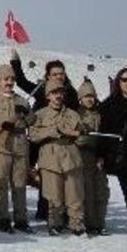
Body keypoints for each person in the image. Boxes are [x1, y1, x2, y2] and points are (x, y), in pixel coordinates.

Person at [0, 64, 34, 234]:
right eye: (5, 79)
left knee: (19, 184)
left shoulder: (22, 100)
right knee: (0, 182)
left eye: (12, 79)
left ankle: (21, 219)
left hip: (19, 146)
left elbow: (32, 120)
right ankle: (3, 218)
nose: (9, 82)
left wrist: (26, 116)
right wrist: (0, 124)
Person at [29, 82, 86, 236]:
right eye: (54, 93)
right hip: (50, 157)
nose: (58, 96)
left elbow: (81, 138)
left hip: (70, 156)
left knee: (75, 194)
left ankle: (76, 224)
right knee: (53, 195)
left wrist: (80, 135)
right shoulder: (40, 115)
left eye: (60, 93)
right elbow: (33, 136)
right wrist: (51, 131)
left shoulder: (73, 114)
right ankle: (54, 222)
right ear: (48, 96)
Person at [99, 67, 127, 239]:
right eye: (125, 79)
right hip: (123, 159)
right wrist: (101, 155)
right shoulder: (109, 105)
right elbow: (103, 133)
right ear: (118, 82)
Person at [75, 79, 109, 235]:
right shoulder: (76, 115)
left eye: (92, 96)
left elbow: (106, 136)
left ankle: (100, 222)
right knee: (87, 191)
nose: (89, 99)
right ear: (80, 98)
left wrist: (103, 154)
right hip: (83, 156)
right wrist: (83, 138)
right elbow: (74, 137)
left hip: (99, 157)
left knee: (101, 191)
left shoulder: (102, 113)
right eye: (86, 96)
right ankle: (90, 223)